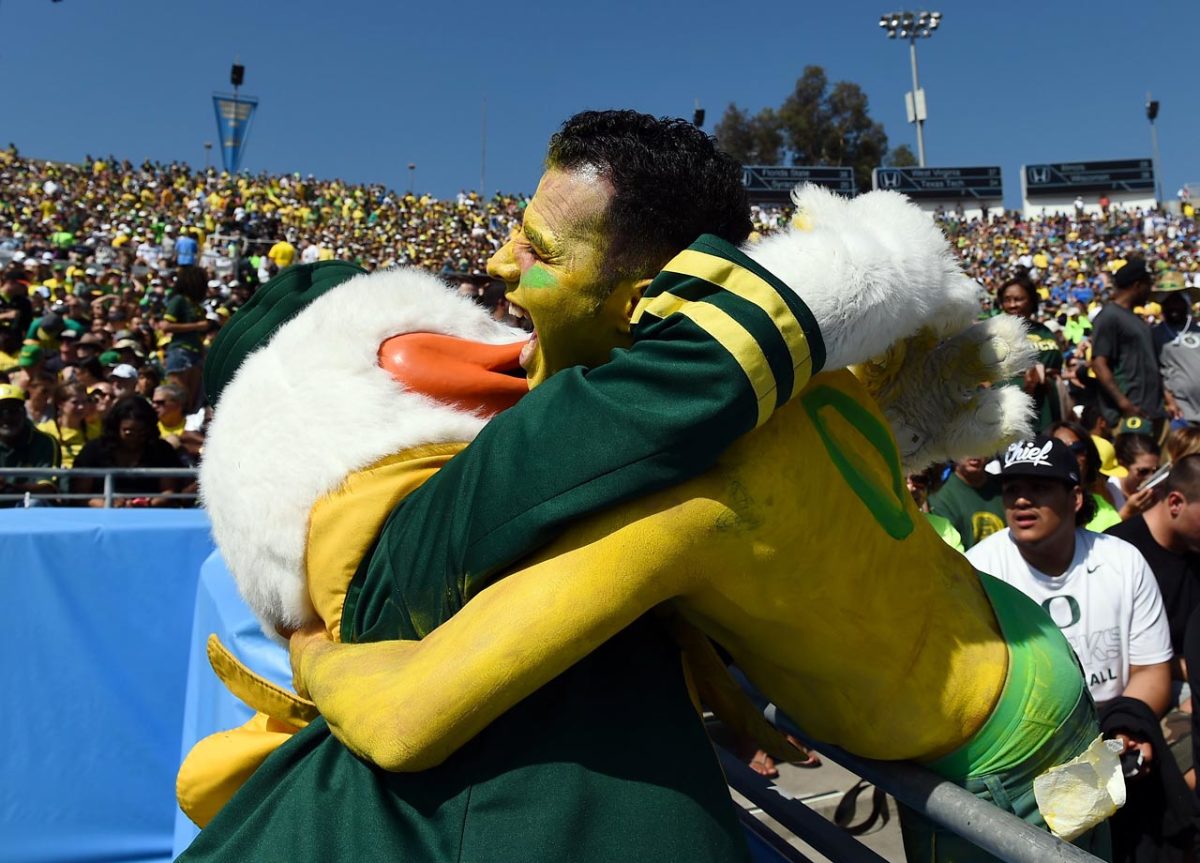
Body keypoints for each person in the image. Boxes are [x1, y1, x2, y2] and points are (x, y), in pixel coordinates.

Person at [186, 112, 1101, 863]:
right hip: (1023, 654)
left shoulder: (678, 495)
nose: (502, 265)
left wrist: (310, 648)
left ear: (638, 300)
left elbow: (402, 723)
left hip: (999, 743)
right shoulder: (807, 372)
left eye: (540, 248)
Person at [71, 395, 185, 507]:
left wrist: (147, 503)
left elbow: (170, 491)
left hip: (149, 514)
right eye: (129, 432)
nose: (135, 437)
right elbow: (81, 494)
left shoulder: (162, 450)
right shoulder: (93, 449)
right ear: (116, 427)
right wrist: (107, 504)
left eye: (141, 432)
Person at [1091, 258, 1165, 432]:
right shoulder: (1110, 316)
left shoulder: (1134, 318)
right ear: (1138, 285)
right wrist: (1125, 405)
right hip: (1130, 415)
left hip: (1149, 411)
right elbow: (1099, 364)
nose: (1150, 291)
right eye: (1148, 285)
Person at [997, 271, 1063, 430]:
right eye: (1007, 300)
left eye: (1019, 299)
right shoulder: (994, 332)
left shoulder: (1045, 331)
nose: (1013, 305)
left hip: (1047, 403)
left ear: (1032, 301)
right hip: (1012, 404)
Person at [1151, 274, 1200, 426]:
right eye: (1168, 302)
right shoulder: (1155, 335)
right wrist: (1169, 400)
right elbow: (1154, 371)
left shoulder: (1197, 331)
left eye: (1177, 302)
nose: (1173, 307)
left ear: (1186, 303)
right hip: (1180, 411)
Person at [928, 456, 1007, 549]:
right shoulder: (940, 495)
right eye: (968, 448)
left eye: (980, 448)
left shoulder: (1006, 487)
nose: (975, 456)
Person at [0, 382, 60, 505]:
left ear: (24, 413)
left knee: (34, 502)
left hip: (25, 506)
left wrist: (9, 488)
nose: (7, 417)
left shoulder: (45, 442)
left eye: (13, 411)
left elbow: (47, 488)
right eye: (1, 411)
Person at [1109, 432, 1161, 519]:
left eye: (1156, 470)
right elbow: (1103, 531)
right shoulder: (1109, 491)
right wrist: (1128, 511)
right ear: (1122, 465)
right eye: (1143, 471)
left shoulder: (1157, 491)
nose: (1150, 477)